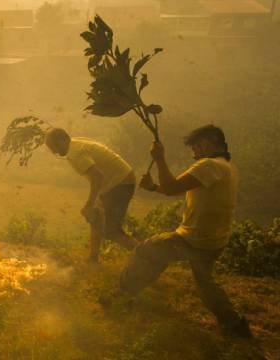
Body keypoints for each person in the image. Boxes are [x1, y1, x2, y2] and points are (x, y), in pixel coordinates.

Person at [103, 124, 251, 338]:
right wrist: (154, 188)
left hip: (193, 239)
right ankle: (234, 324)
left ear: (209, 143)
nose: (194, 152)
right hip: (214, 240)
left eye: (197, 146)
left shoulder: (208, 165)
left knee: (145, 251)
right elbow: (179, 189)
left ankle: (122, 298)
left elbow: (173, 187)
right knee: (204, 283)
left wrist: (160, 158)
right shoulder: (226, 166)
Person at [45, 128, 138, 263]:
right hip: (117, 180)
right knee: (96, 217)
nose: (53, 152)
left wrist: (90, 203)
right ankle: (93, 259)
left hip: (120, 182)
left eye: (53, 147)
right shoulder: (76, 144)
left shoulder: (74, 154)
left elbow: (97, 177)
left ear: (61, 140)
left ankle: (149, 255)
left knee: (111, 231)